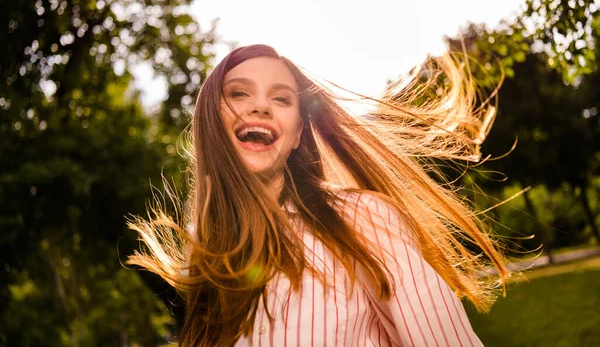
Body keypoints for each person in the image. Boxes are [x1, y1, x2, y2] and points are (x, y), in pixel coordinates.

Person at [128, 44, 509, 346]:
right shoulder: (206, 256)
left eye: (281, 99)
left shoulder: (362, 219)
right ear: (212, 123)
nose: (260, 105)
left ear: (296, 136)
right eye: (239, 93)